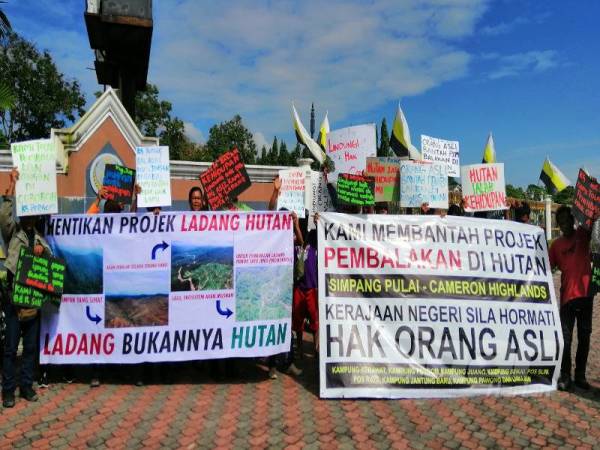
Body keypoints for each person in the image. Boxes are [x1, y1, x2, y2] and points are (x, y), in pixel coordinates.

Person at [1, 168, 53, 408]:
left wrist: (43, 253)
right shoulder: (14, 233)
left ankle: (27, 386)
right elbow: (4, 216)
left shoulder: (41, 238)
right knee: (11, 348)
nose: (30, 217)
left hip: (33, 301)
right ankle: (9, 390)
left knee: (30, 348)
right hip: (14, 298)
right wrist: (11, 187)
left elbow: (51, 264)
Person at [549, 205, 597, 390]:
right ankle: (566, 375)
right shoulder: (556, 246)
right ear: (558, 225)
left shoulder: (584, 235)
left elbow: (595, 228)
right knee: (566, 339)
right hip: (567, 298)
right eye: (560, 222)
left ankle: (580, 376)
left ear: (572, 219)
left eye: (567, 220)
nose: (564, 225)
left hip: (586, 295)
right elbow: (546, 267)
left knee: (585, 337)